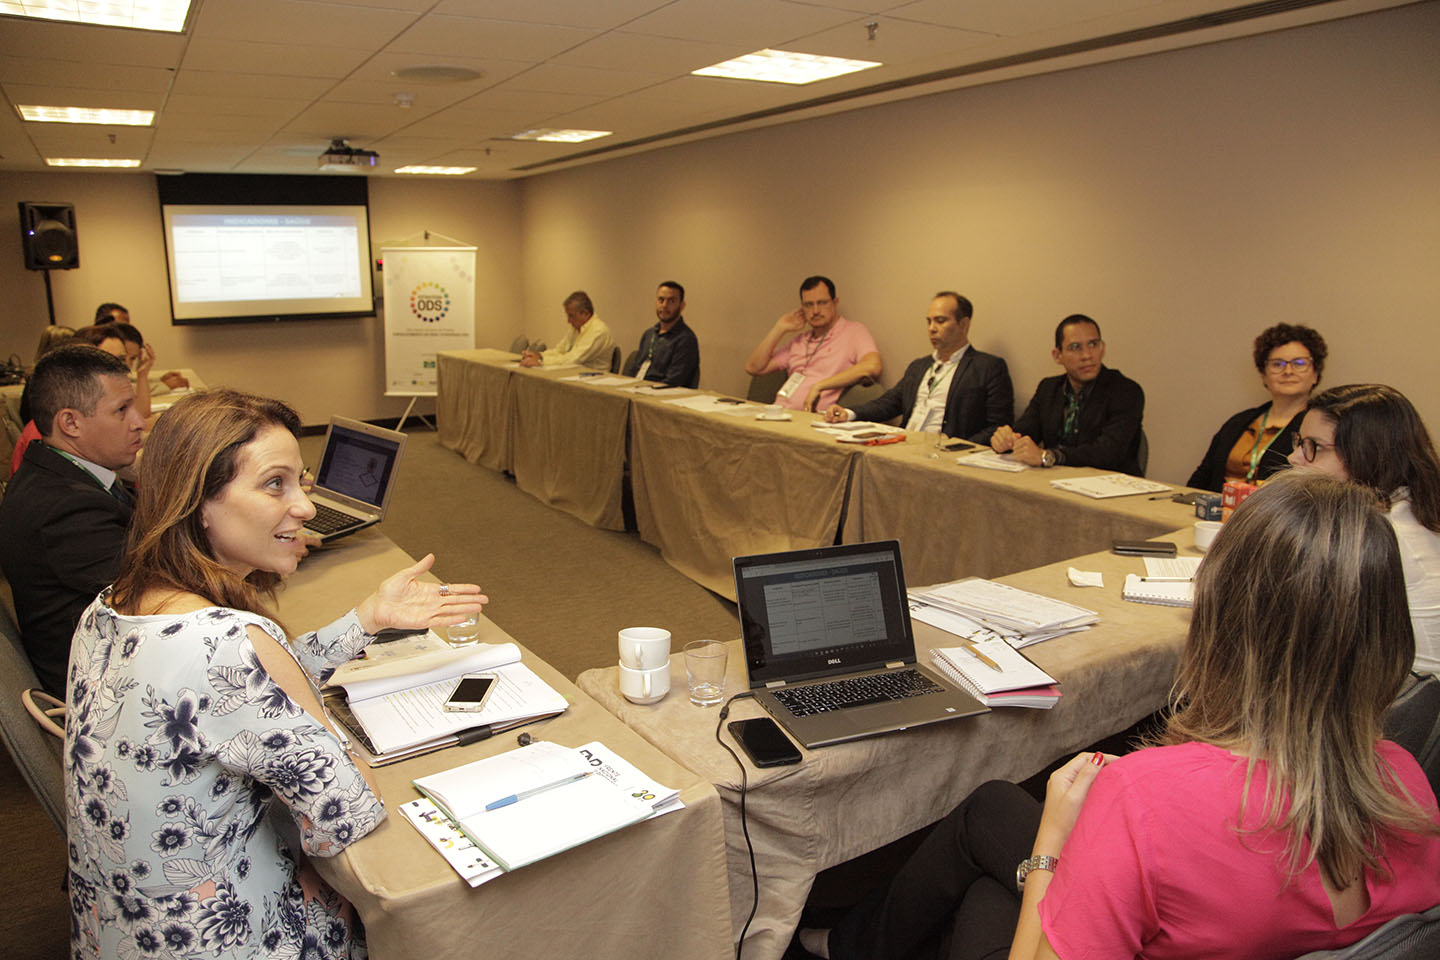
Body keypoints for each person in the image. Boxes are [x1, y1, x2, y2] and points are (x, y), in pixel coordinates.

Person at [802, 473, 1440, 960]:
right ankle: (853, 944)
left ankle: (852, 946)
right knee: (991, 808)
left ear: (1219, 618)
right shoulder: (1406, 783)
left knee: (991, 892)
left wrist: (1053, 844)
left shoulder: (1145, 798)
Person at [64, 388, 486, 960]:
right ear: (199, 503)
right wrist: (341, 745)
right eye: (274, 485)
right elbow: (346, 811)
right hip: (230, 937)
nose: (306, 508)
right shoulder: (228, 643)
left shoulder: (110, 606)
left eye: (301, 481)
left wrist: (368, 619)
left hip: (120, 932)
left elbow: (241, 691)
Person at [0, 345, 144, 695]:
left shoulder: (59, 473)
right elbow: (159, 589)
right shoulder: (65, 508)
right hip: (102, 688)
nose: (139, 421)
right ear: (70, 423)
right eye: (122, 410)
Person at [1289, 383, 1440, 676]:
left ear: (1365, 453)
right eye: (1298, 442)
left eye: (1313, 447)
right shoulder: (1413, 506)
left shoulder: (1377, 533)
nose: (1294, 457)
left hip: (1401, 693)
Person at [823, 292, 1012, 443]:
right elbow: (889, 403)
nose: (932, 328)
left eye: (940, 321)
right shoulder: (919, 367)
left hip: (946, 454)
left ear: (964, 324)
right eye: (929, 321)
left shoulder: (988, 368)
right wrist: (849, 413)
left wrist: (957, 449)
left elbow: (998, 426)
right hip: (904, 446)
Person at [989, 315, 1145, 474]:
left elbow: (1108, 452)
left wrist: (1049, 456)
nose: (1087, 355)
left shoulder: (1126, 391)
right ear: (1057, 355)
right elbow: (1025, 432)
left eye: (1093, 344)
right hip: (1055, 481)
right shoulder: (1048, 388)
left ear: (1102, 348)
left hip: (1109, 482)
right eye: (1075, 347)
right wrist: (1007, 439)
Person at [1187, 323, 1327, 491]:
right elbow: (1202, 477)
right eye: (1277, 364)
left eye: (1299, 363)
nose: (1288, 371)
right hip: (1217, 506)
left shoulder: (1318, 430)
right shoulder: (1238, 422)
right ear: (1264, 375)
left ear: (1315, 374)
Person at [745, 276, 882, 412]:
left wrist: (819, 386)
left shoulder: (854, 332)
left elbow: (873, 366)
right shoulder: (800, 341)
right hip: (778, 412)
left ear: (835, 303)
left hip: (811, 418)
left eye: (822, 303)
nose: (815, 311)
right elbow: (753, 368)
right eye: (809, 305)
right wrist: (780, 328)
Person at [625, 281, 700, 387]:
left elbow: (674, 381)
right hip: (634, 389)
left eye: (671, 301)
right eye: (661, 300)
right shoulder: (649, 334)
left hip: (658, 393)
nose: (664, 305)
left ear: (682, 306)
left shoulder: (686, 339)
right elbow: (634, 370)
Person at [519, 291, 616, 369]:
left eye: (571, 316)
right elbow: (560, 350)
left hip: (593, 381)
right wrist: (540, 356)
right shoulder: (576, 328)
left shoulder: (598, 331)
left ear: (585, 313)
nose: (568, 321)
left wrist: (542, 362)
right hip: (574, 375)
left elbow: (573, 360)